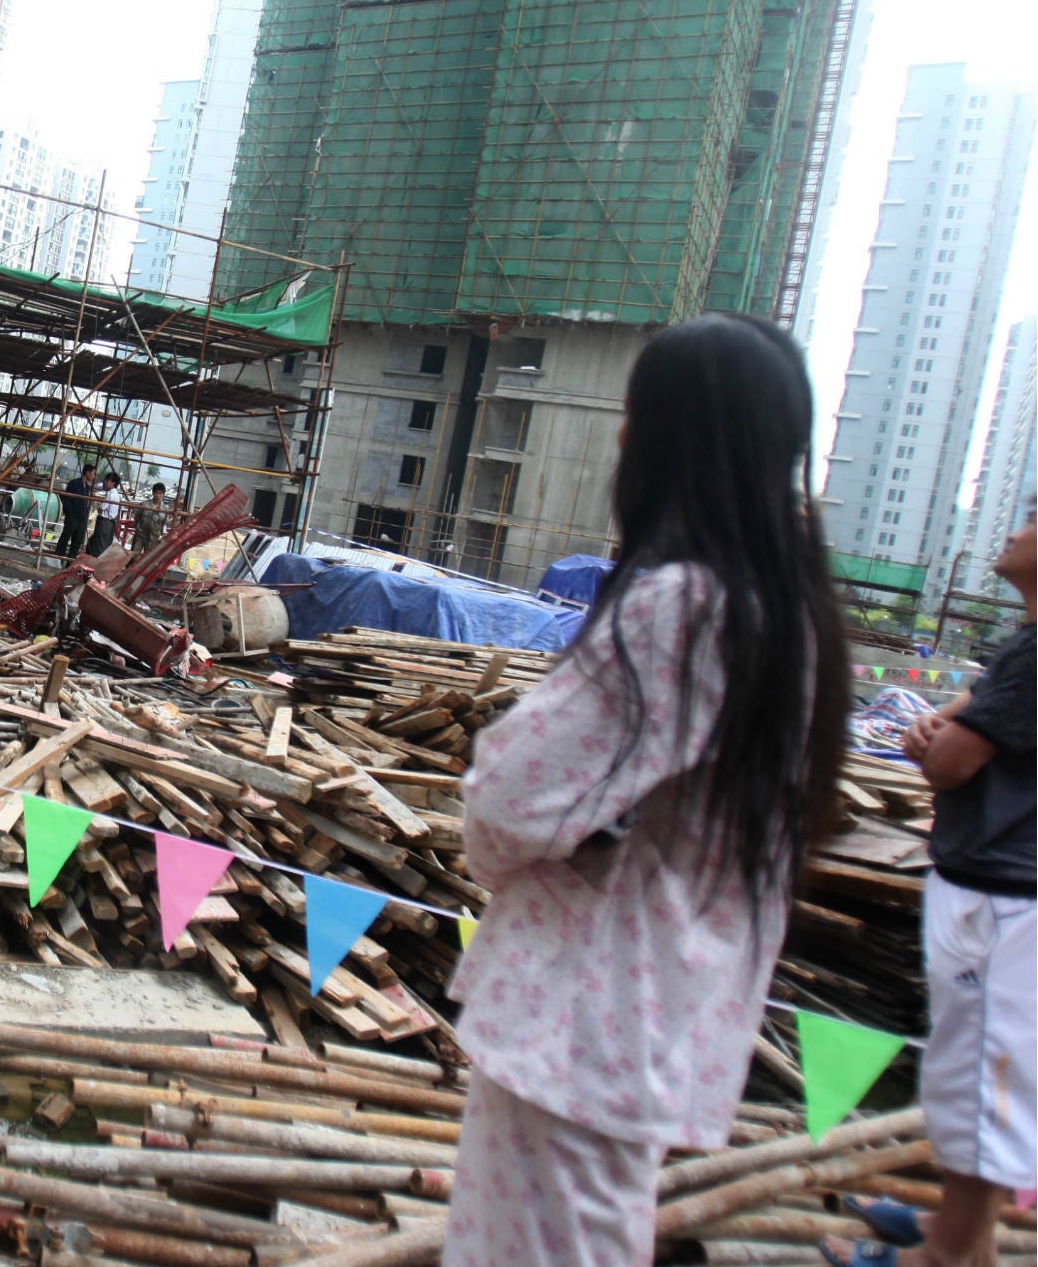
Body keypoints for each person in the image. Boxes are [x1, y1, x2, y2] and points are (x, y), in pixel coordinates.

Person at [443, 314, 849, 1267]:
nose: (621, 437)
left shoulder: (685, 609)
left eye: (635, 412)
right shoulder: (789, 616)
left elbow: (508, 799)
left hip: (585, 1021)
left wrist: (513, 835)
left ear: (673, 438)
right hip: (656, 1007)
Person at [823, 511, 1034, 1267]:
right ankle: (960, 1234)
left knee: (985, 1076)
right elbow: (955, 721)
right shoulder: (1021, 653)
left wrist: (939, 742)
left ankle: (948, 1255)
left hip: (1004, 895)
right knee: (976, 1068)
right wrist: (939, 733)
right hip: (998, 887)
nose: (1017, 531)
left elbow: (948, 762)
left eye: (1035, 521)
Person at [57, 462, 95, 559]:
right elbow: (67, 500)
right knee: (65, 538)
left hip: (82, 518)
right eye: (93, 473)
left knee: (77, 542)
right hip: (73, 517)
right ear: (87, 473)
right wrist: (69, 513)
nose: (93, 476)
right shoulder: (74, 483)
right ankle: (58, 558)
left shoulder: (87, 487)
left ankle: (70, 562)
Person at [89, 472, 123, 553]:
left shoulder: (110, 495)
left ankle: (96, 563)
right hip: (110, 523)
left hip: (105, 522)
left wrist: (98, 507)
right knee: (103, 543)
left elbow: (101, 509)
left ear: (113, 483)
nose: (105, 482)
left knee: (100, 545)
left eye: (107, 481)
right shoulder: (115, 494)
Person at [132, 482, 169, 557]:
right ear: (152, 493)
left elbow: (164, 524)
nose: (157, 495)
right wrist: (138, 528)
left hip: (153, 538)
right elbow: (137, 516)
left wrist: (160, 534)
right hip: (140, 535)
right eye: (156, 493)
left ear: (163, 494)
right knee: (133, 556)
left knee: (147, 559)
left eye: (160, 493)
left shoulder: (165, 509)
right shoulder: (144, 504)